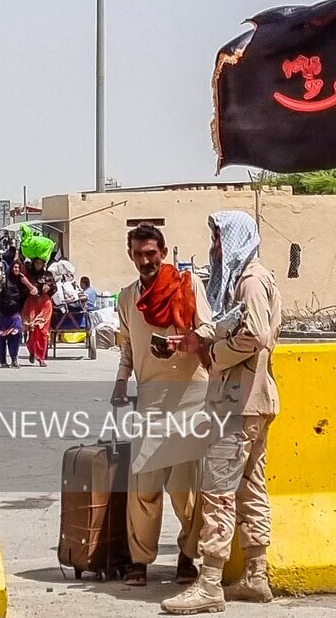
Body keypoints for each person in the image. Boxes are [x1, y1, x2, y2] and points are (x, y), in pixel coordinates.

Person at [162, 211, 282, 615]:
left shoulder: (250, 281)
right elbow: (232, 323)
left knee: (218, 493)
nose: (215, 246)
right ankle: (256, 575)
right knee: (250, 488)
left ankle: (210, 583)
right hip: (254, 402)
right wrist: (198, 338)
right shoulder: (253, 279)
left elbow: (255, 334)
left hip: (237, 404)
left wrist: (213, 355)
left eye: (219, 238)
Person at [112, 223, 213, 587]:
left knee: (186, 489)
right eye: (139, 254)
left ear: (164, 253)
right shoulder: (127, 297)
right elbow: (127, 344)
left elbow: (209, 329)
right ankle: (139, 560)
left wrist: (185, 342)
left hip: (190, 399)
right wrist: (121, 379)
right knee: (143, 486)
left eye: (151, 254)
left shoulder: (188, 285)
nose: (145, 261)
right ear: (130, 255)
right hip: (150, 400)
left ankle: (188, 556)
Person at [0, 258, 37, 367]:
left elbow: (35, 292)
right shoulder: (3, 281)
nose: (16, 269)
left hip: (15, 315)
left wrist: (26, 282)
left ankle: (14, 359)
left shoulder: (22, 283)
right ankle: (3, 361)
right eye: (14, 267)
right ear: (11, 268)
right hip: (1, 314)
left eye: (18, 267)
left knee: (15, 336)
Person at [24, 277, 55, 365]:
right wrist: (31, 321)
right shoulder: (30, 299)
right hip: (33, 316)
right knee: (32, 336)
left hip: (43, 318)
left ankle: (41, 358)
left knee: (43, 336)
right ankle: (32, 351)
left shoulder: (47, 300)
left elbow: (45, 312)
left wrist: (37, 321)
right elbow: (29, 311)